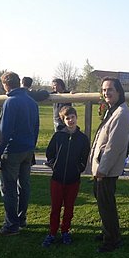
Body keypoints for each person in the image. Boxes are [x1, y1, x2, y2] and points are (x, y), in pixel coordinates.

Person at [0, 71, 40, 235]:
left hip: (12, 150)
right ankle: (21, 218)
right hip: (27, 149)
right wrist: (32, 147)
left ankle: (11, 225)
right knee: (24, 185)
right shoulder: (32, 102)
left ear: (5, 84)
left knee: (9, 187)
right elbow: (36, 128)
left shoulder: (10, 102)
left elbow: (4, 131)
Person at [88, 77, 129, 253]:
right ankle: (108, 231)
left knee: (106, 205)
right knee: (103, 203)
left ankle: (112, 240)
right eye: (104, 90)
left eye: (110, 90)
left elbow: (114, 146)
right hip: (102, 167)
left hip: (107, 169)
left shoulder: (121, 113)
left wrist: (102, 170)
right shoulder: (112, 110)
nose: (106, 93)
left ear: (119, 91)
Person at [41, 106, 90, 247]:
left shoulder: (82, 138)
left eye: (72, 117)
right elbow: (49, 152)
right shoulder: (58, 136)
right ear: (63, 120)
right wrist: (54, 164)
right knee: (55, 207)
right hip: (57, 178)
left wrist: (78, 168)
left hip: (73, 179)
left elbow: (84, 156)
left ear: (76, 117)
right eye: (67, 118)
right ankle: (52, 232)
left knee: (69, 208)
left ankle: (65, 231)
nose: (70, 120)